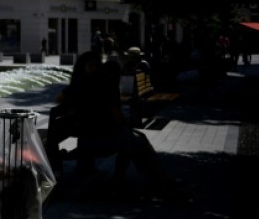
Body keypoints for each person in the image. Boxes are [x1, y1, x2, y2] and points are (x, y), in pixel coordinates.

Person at [56, 52, 173, 194]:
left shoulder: (78, 84)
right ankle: (163, 184)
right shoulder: (106, 85)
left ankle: (155, 180)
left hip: (87, 137)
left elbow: (60, 99)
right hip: (101, 139)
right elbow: (117, 119)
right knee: (139, 142)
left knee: (136, 139)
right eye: (94, 65)